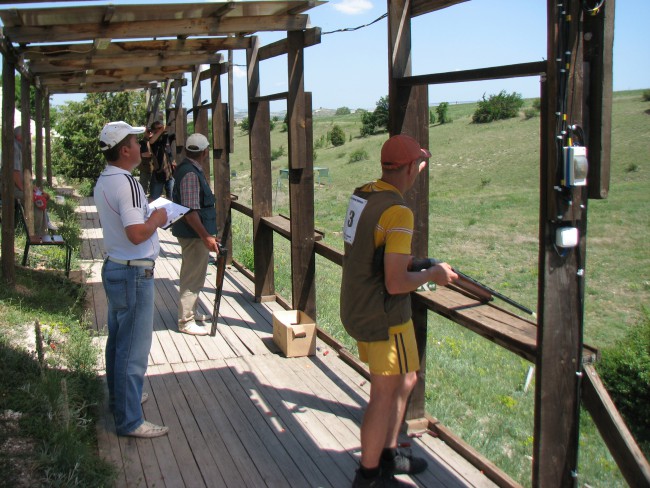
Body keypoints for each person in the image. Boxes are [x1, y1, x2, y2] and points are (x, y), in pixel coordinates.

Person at [340, 134, 458, 487]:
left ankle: (389, 454)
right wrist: (432, 274)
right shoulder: (399, 212)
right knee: (383, 395)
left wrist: (403, 262)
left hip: (359, 302)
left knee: (406, 379)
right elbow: (394, 283)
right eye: (417, 164)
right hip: (383, 314)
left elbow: (367, 244)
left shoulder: (363, 193)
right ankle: (369, 474)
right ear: (410, 167)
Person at [94, 121, 169, 438]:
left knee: (119, 342)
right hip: (134, 272)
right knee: (134, 349)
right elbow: (137, 233)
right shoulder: (126, 183)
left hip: (117, 265)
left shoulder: (106, 179)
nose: (142, 146)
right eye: (137, 142)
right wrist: (158, 217)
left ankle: (121, 398)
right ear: (124, 150)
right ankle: (130, 419)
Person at [171, 133, 219, 336]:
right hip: (194, 235)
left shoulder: (187, 169)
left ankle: (192, 311)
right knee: (192, 276)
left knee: (196, 274)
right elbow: (190, 213)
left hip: (194, 234)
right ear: (205, 152)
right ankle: (186, 320)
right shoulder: (191, 174)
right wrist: (206, 236)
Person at [11, 126, 54, 235]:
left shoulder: (19, 148)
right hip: (12, 188)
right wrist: (25, 189)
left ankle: (45, 227)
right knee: (37, 200)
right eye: (28, 135)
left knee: (42, 196)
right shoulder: (14, 148)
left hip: (19, 186)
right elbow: (14, 172)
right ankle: (37, 233)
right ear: (20, 137)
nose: (30, 138)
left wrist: (32, 188)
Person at [147, 121, 176, 200]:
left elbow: (175, 135)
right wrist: (162, 130)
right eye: (159, 128)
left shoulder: (165, 137)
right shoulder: (153, 140)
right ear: (154, 130)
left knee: (172, 199)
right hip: (158, 174)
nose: (162, 129)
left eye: (162, 127)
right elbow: (152, 141)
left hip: (169, 174)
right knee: (154, 199)